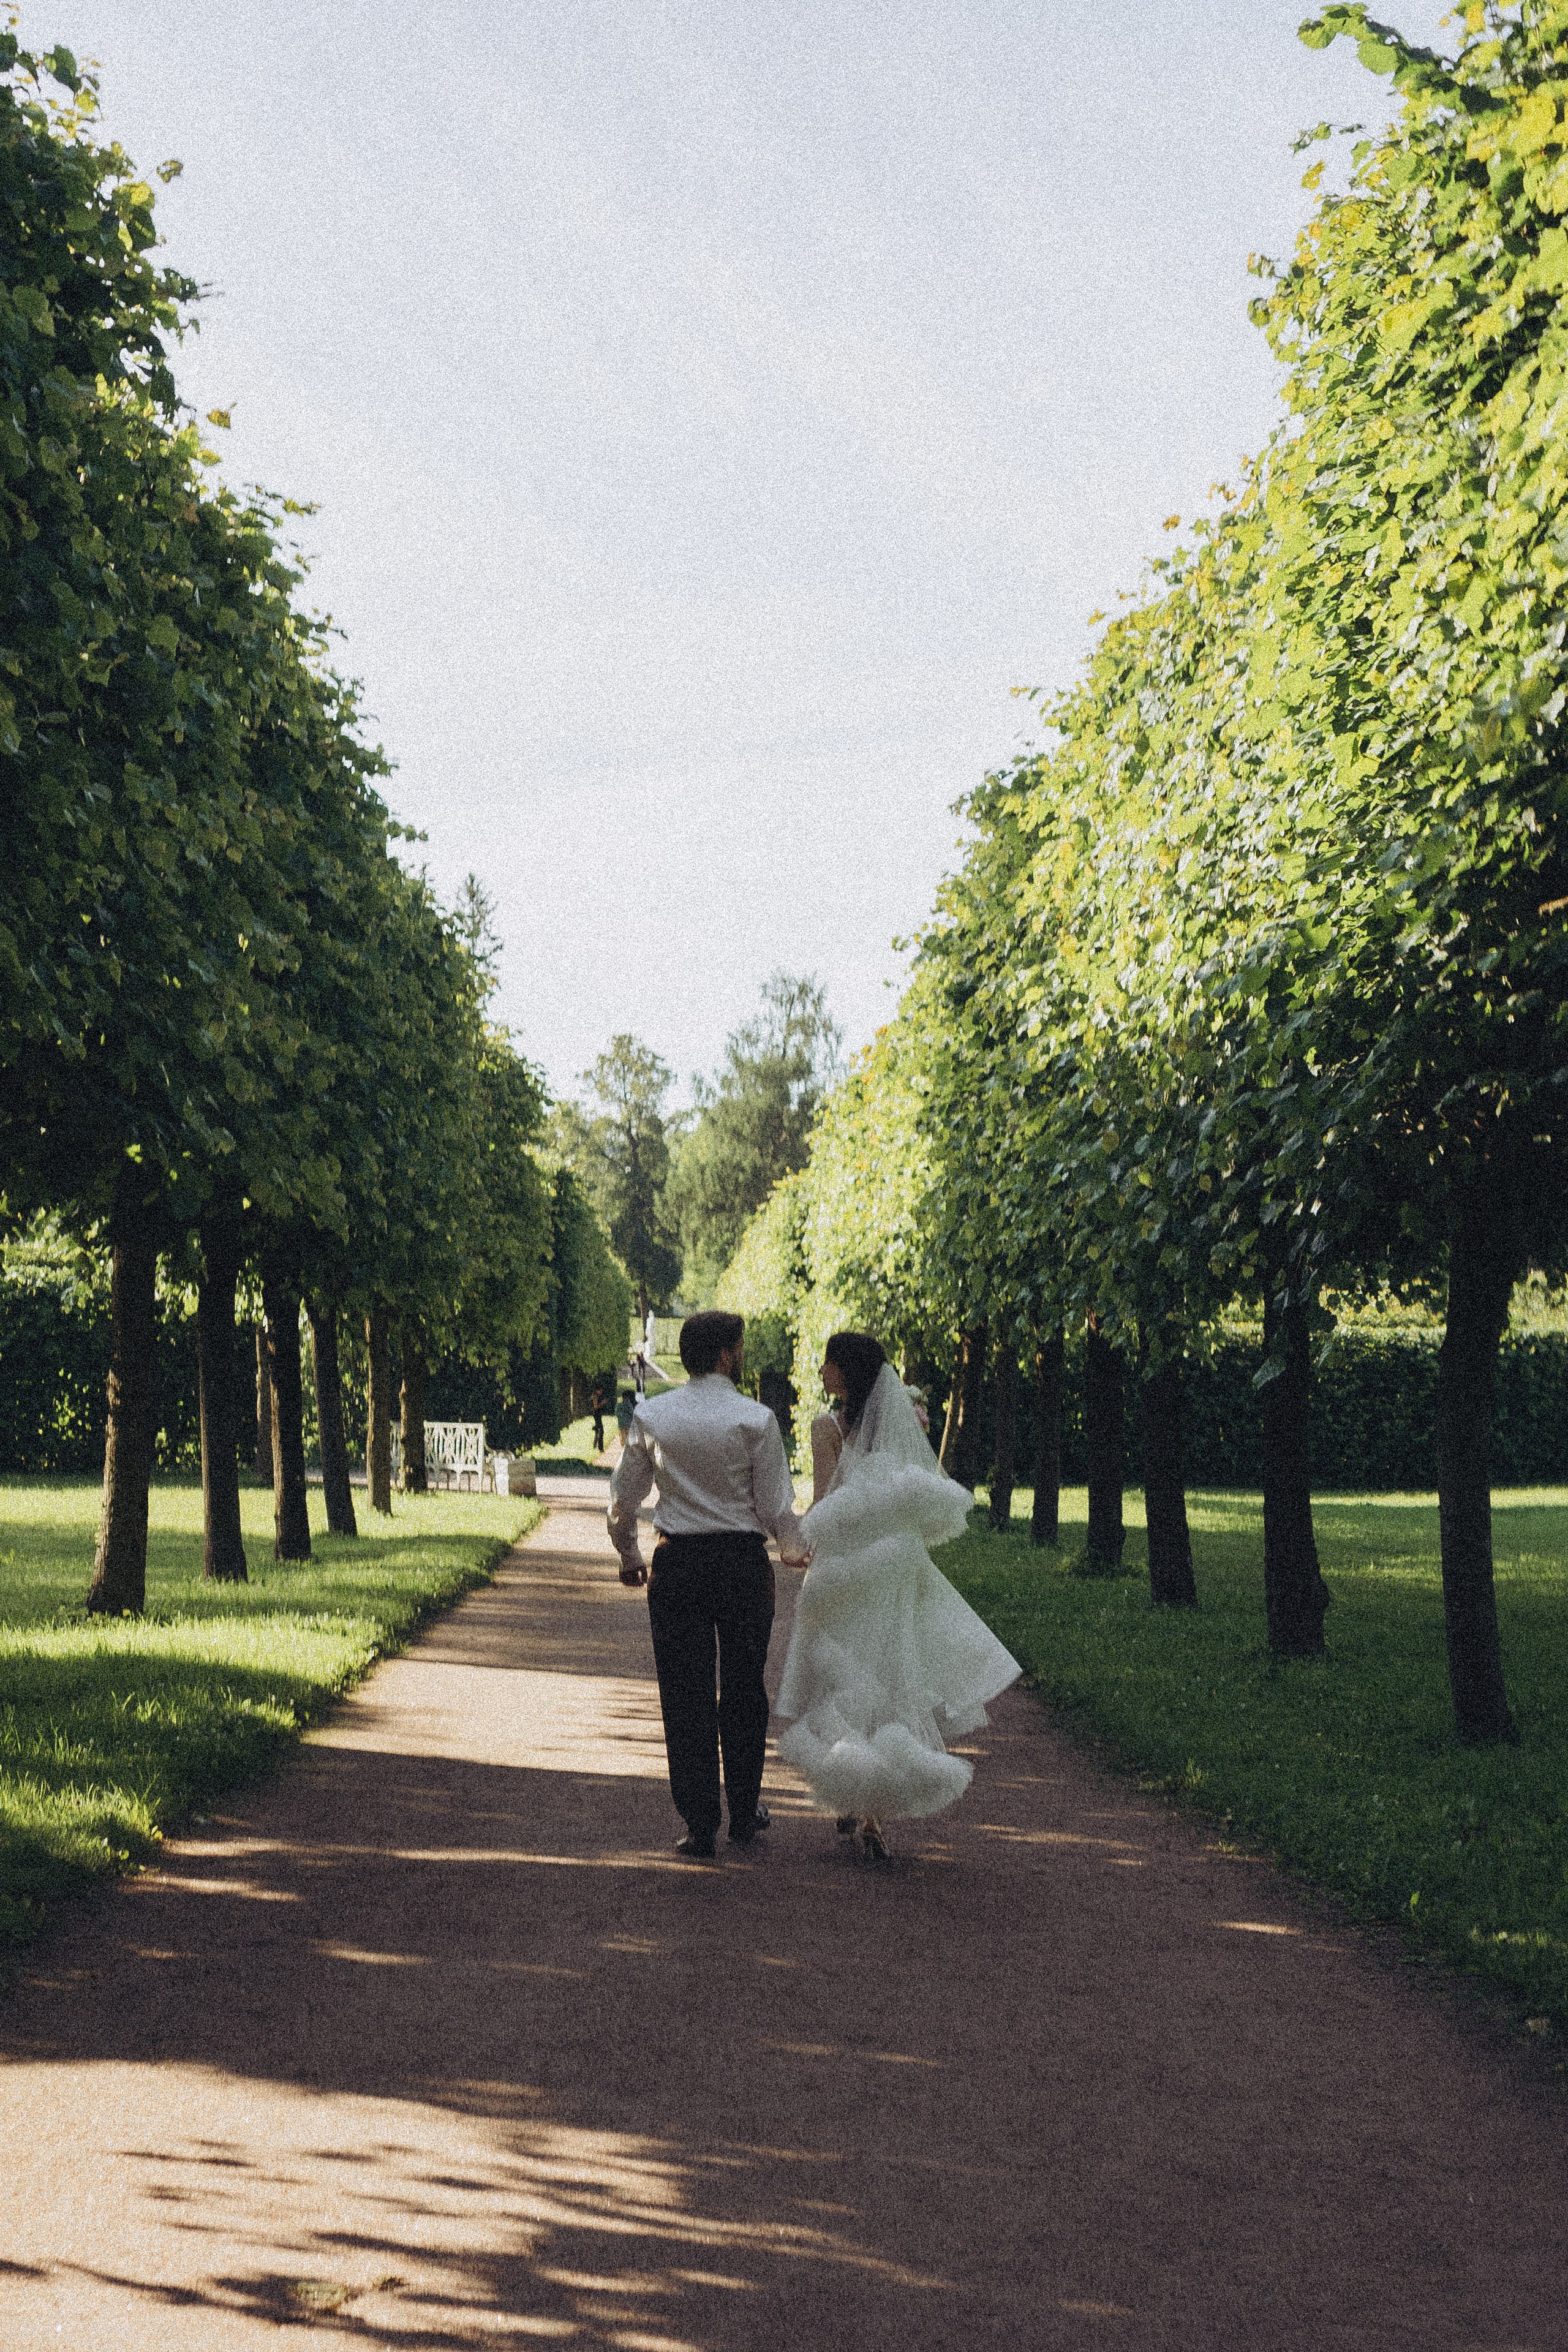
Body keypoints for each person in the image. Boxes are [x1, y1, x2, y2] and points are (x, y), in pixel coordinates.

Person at [775, 1330, 1020, 1863]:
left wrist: (801, 1548)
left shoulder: (826, 1427)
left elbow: (825, 1503)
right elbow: (914, 1497)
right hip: (892, 1564)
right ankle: (872, 1815)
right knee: (888, 1673)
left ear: (846, 1372)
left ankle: (849, 1785)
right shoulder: (898, 1420)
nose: (820, 1373)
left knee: (842, 1677)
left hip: (846, 1567)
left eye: (827, 1365)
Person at [608, 1309, 809, 1860]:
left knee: (685, 1694)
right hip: (742, 1567)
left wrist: (628, 1553)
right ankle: (745, 1811)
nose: (743, 1355)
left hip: (679, 1566)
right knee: (745, 1690)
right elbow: (775, 1505)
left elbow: (624, 1500)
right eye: (739, 1347)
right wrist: (791, 1548)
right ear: (724, 1354)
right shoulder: (757, 1419)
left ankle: (700, 1823)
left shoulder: (654, 1415)